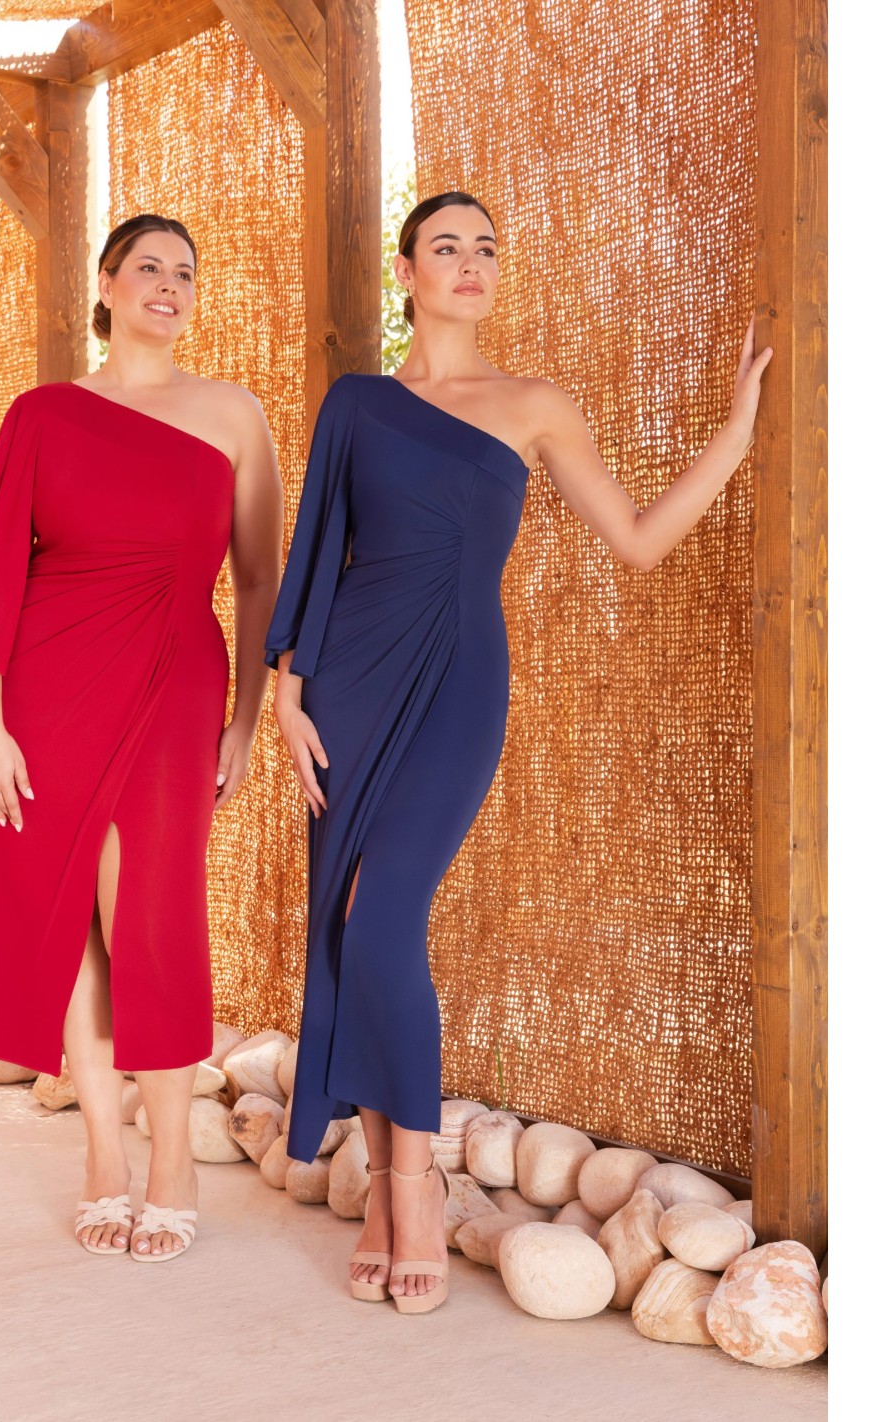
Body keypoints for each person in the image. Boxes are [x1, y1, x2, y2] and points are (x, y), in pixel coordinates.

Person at [266, 191, 770, 1312]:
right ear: (406, 271)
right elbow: (315, 546)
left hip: (456, 686)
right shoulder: (356, 403)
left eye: (485, 248)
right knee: (350, 927)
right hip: (347, 689)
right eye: (444, 247)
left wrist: (734, 436)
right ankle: (395, 1189)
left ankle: (414, 1185)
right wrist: (287, 689)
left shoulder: (534, 405)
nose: (469, 263)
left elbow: (636, 541)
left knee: (380, 919)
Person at [0, 213, 282, 1260]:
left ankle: (172, 1157)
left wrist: (247, 717)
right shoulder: (41, 414)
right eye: (148, 268)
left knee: (151, 914)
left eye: (184, 271)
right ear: (106, 283)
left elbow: (260, 579)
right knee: (66, 920)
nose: (168, 285)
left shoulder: (232, 414)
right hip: (47, 689)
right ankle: (102, 1155)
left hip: (176, 683)